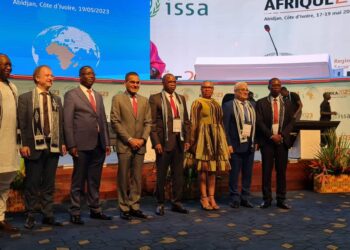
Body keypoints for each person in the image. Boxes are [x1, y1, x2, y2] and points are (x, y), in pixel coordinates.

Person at [18, 65, 66, 229]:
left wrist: (63, 143)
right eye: (47, 75)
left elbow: (60, 124)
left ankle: (48, 214)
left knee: (48, 184)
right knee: (32, 183)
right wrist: (22, 144)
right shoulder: (25, 98)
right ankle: (30, 215)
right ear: (37, 78)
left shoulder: (56, 99)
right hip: (33, 147)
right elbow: (21, 124)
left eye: (52, 76)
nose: (51, 78)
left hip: (52, 147)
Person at [64, 66, 111, 225]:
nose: (91, 76)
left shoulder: (97, 96)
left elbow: (103, 121)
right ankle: (75, 211)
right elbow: (68, 122)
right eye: (87, 74)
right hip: (81, 145)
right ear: (80, 76)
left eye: (92, 74)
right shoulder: (72, 95)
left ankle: (95, 209)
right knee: (78, 180)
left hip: (98, 144)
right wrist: (71, 144)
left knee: (94, 180)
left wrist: (107, 141)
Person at [110, 72, 152, 220]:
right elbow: (115, 121)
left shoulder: (144, 101)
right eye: (132, 82)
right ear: (125, 83)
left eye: (137, 82)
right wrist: (129, 139)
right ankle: (123, 207)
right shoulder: (117, 99)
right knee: (123, 178)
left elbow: (148, 123)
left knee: (136, 178)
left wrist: (142, 139)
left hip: (140, 145)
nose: (135, 85)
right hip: (124, 145)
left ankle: (134, 206)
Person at [149, 73, 190, 216]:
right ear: (163, 83)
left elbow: (186, 121)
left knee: (178, 175)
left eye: (174, 81)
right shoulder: (155, 99)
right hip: (163, 144)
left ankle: (177, 203)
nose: (173, 84)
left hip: (179, 142)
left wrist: (187, 140)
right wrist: (156, 143)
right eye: (169, 81)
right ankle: (160, 203)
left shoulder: (181, 99)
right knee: (161, 175)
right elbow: (152, 124)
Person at [186, 81, 230, 210]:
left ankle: (212, 197)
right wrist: (192, 141)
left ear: (213, 90)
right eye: (204, 87)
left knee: (212, 171)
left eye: (210, 88)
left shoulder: (216, 103)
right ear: (201, 89)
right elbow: (193, 123)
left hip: (216, 139)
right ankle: (203, 197)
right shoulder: (197, 102)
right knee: (203, 171)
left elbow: (221, 123)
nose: (207, 90)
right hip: (202, 139)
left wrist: (224, 142)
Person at [256, 78, 294, 210]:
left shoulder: (288, 103)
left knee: (281, 172)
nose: (276, 87)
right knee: (266, 171)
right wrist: (271, 135)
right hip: (267, 142)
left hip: (282, 142)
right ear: (268, 87)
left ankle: (281, 199)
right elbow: (259, 122)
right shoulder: (261, 103)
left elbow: (291, 122)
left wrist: (281, 135)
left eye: (278, 85)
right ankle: (266, 199)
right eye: (273, 85)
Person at [223, 82, 256, 209]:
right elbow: (224, 128)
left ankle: (245, 198)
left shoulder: (252, 105)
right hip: (235, 146)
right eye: (242, 90)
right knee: (234, 173)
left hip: (250, 145)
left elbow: (255, 126)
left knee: (248, 173)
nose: (246, 92)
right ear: (236, 92)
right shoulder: (228, 106)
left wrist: (255, 141)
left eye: (247, 90)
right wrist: (228, 144)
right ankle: (234, 198)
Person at [0, 54, 20, 233]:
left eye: (10, 64)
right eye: (5, 64)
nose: (9, 67)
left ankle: (0, 218)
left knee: (4, 184)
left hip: (9, 145)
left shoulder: (13, 87)